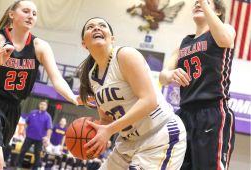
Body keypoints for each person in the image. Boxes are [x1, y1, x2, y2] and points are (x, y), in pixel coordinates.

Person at [0, 1, 82, 169]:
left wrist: (73, 97)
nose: (30, 16)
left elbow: (57, 79)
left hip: (13, 108)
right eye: (25, 11)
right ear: (12, 14)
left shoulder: (40, 46)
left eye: (34, 13)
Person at [78, 17, 187, 170]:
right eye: (90, 27)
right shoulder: (92, 77)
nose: (96, 28)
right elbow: (106, 118)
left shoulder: (125, 55)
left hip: (159, 135)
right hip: (127, 143)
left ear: (112, 38)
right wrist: (96, 136)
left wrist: (109, 130)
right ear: (84, 43)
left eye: (102, 25)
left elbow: (149, 101)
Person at [159, 0, 236, 169]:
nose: (198, 4)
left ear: (218, 13)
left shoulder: (225, 30)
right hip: (184, 114)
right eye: (196, 2)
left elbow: (225, 39)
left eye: (207, 2)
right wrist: (170, 74)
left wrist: (203, 3)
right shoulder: (184, 43)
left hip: (212, 112)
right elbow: (163, 76)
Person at [17, 100, 52, 169]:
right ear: (39, 105)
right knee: (23, 150)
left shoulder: (48, 116)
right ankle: (18, 165)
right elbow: (27, 123)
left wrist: (47, 138)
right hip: (29, 136)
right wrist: (24, 131)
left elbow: (49, 129)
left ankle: (35, 168)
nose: (42, 106)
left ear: (46, 107)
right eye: (41, 104)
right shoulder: (32, 112)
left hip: (40, 139)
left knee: (37, 154)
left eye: (44, 105)